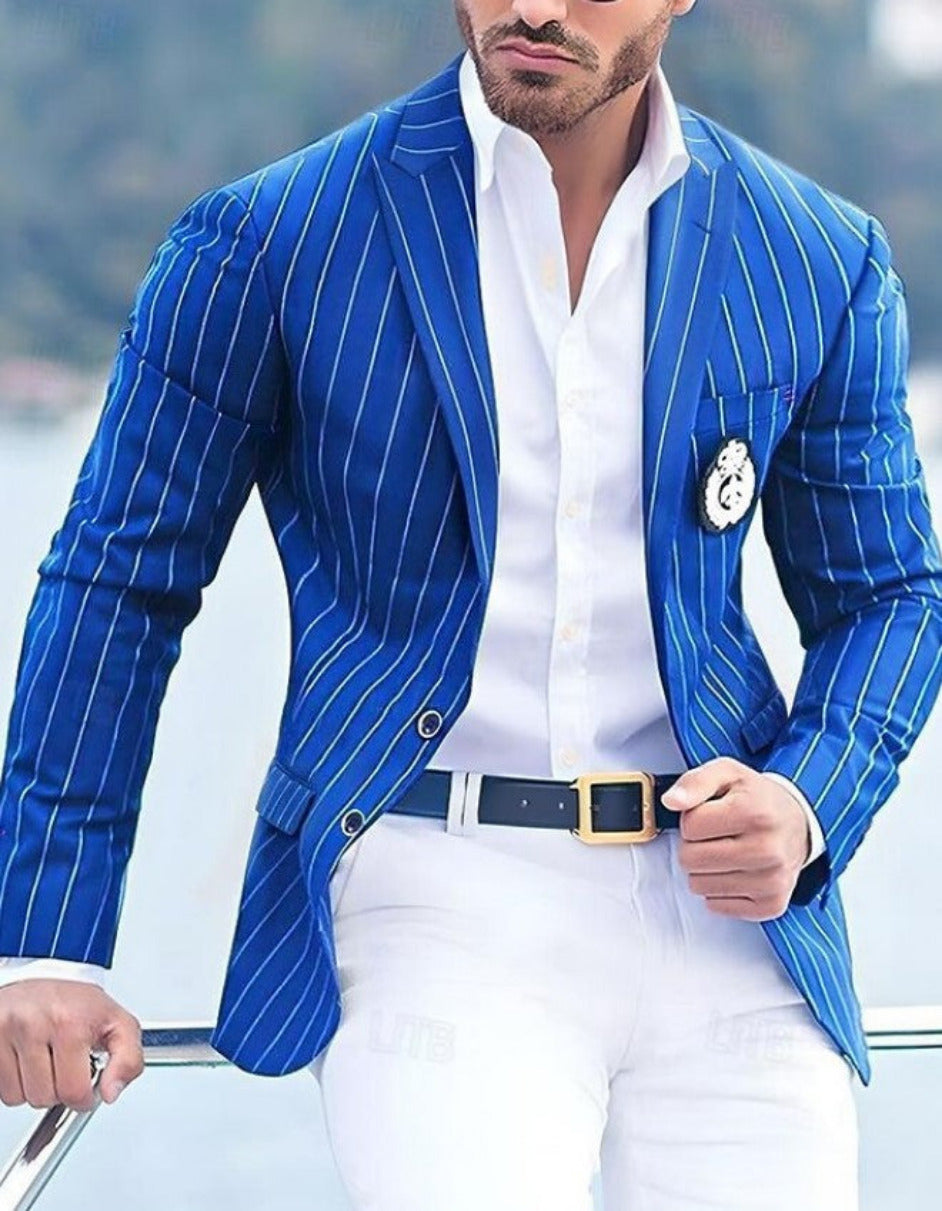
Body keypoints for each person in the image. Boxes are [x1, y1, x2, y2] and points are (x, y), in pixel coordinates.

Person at [1, 0, 940, 1207]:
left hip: (730, 914)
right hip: (431, 893)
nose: (534, 6)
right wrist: (50, 942)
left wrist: (809, 799)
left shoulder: (814, 253)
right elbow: (117, 585)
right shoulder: (271, 238)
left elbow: (890, 592)